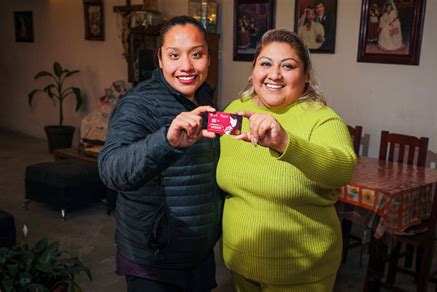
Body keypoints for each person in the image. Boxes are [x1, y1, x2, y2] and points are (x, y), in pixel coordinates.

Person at [216, 29, 356, 291]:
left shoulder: (321, 118)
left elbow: (343, 169)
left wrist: (285, 143)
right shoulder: (235, 111)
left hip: (300, 270)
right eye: (265, 63)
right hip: (240, 262)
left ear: (305, 77)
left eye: (288, 66)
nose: (274, 74)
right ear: (254, 71)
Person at [98, 15, 223, 292]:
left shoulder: (205, 98)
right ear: (160, 58)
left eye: (197, 54)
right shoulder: (137, 104)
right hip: (154, 259)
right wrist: (164, 141)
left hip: (198, 253)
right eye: (174, 55)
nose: (187, 66)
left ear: (209, 57)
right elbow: (111, 169)